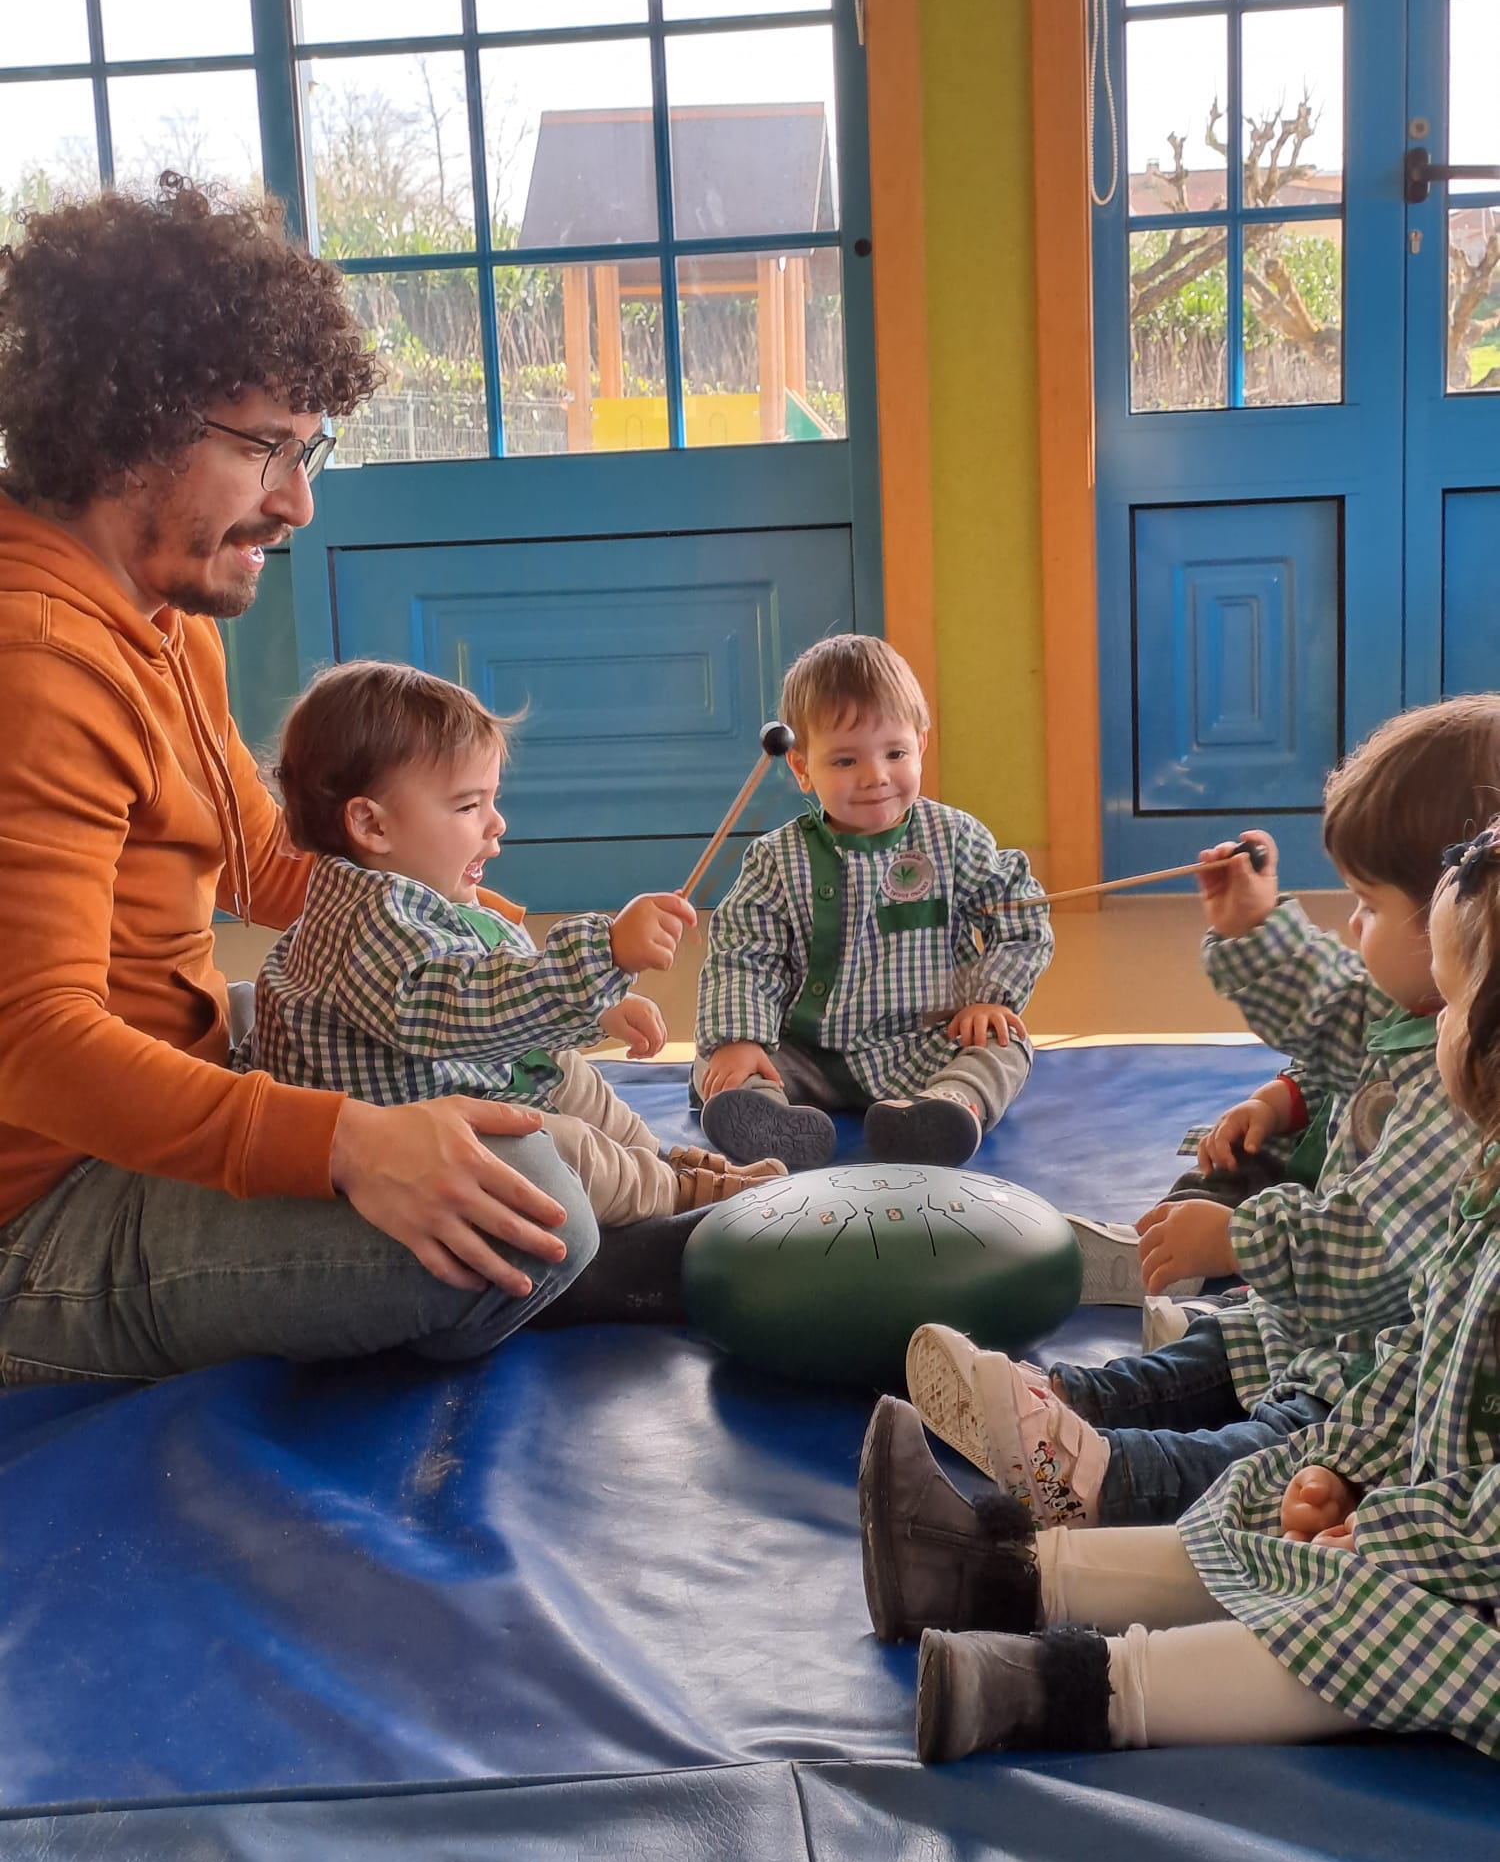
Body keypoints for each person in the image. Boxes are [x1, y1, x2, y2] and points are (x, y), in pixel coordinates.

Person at [0, 174, 676, 1386]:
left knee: (474, 1052)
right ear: (125, 425)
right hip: (41, 1210)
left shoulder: (157, 613)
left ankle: (590, 1221)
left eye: (305, 450)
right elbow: (38, 1045)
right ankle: (579, 1253)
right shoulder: (35, 664)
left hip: (187, 1056)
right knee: (524, 1193)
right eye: (264, 446)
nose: (298, 500)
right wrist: (347, 1143)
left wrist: (498, 949)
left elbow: (270, 862)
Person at [858, 824, 1500, 1761]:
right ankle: (987, 1571)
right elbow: (1419, 1364)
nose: (1430, 1025)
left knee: (1371, 1623)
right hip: (1430, 1514)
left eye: (1451, 1003)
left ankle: (1062, 1692)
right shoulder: (1489, 1184)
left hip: (1461, 1571)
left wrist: (1390, 1534)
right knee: (1261, 1496)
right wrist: (1347, 1466)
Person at [903, 697, 1499, 1524]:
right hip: (1328, 1330)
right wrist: (1256, 928)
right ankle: (1071, 1402)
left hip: (1383, 1377)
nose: (1351, 923)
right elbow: (1335, 1009)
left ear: (1454, 925)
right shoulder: (1430, 1009)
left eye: (1367, 904)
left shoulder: (1466, 1083)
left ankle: (1103, 1479)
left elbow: (1374, 1248)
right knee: (1230, 1342)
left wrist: (1239, 1240)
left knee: (1279, 1445)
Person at [249, 659, 781, 1220]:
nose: (496, 823)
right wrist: (603, 954)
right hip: (407, 1145)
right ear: (371, 825)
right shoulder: (364, 927)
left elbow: (506, 981)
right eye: (468, 805)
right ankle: (673, 1200)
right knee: (558, 1146)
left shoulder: (420, 896)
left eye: (491, 800)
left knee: (568, 1073)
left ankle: (660, 1162)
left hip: (454, 1082)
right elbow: (468, 1007)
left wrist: (599, 1007)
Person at [693, 634, 1054, 1172]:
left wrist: (989, 998)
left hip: (926, 1047)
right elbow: (743, 956)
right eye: (845, 760)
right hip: (803, 1054)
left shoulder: (956, 838)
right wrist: (739, 1039)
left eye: (895, 753)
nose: (875, 777)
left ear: (921, 745)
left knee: (1007, 1046)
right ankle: (769, 1120)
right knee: (715, 1062)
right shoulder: (774, 860)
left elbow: (1021, 918)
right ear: (802, 767)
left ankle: (948, 1108)